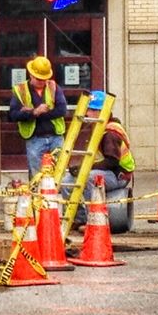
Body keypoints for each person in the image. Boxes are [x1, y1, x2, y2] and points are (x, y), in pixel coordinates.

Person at [60, 90, 134, 226]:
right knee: (67, 181)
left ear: (101, 112)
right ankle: (78, 219)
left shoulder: (110, 133)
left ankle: (93, 219)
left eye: (91, 110)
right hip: (106, 171)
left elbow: (112, 161)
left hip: (119, 175)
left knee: (90, 178)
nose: (87, 113)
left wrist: (85, 168)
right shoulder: (99, 128)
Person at [10, 55, 67, 179]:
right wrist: (34, 112)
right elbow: (13, 115)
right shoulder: (20, 90)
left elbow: (62, 110)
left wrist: (38, 113)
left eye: (44, 79)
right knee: (37, 176)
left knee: (59, 174)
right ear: (31, 75)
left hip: (55, 137)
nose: (42, 82)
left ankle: (56, 197)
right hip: (35, 139)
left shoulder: (54, 87)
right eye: (39, 79)